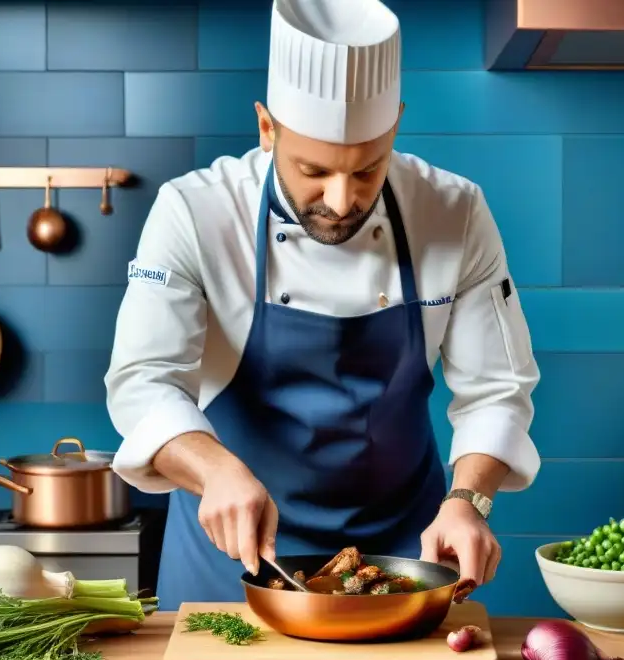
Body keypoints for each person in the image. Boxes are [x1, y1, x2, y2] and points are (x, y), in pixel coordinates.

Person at [104, 0, 541, 608]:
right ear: (267, 128)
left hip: (407, 555)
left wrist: (467, 502)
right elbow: (143, 382)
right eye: (314, 170)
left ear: (396, 128)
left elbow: (496, 389)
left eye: (367, 170)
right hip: (234, 556)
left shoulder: (454, 211)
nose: (341, 200)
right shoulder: (194, 213)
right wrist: (215, 472)